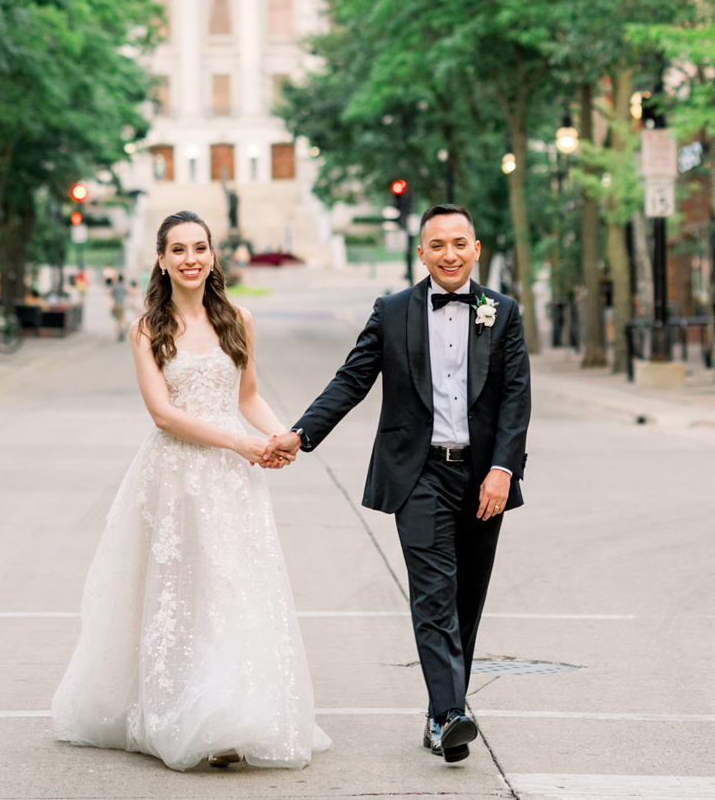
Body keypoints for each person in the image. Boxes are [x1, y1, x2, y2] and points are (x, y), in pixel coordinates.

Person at [51, 210, 329, 772]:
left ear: (212, 254)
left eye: (199, 248)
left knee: (233, 590)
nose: (190, 259)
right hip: (176, 476)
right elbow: (163, 415)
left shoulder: (239, 319)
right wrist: (240, 443)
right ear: (161, 259)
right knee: (180, 597)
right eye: (177, 250)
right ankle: (179, 709)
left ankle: (231, 716)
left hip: (232, 478)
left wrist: (280, 435)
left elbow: (247, 394)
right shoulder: (147, 329)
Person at [264, 204, 531, 765]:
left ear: (476, 249)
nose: (450, 254)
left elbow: (515, 398)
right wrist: (300, 433)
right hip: (419, 474)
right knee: (433, 597)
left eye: (460, 243)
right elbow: (352, 378)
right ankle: (454, 712)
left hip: (485, 476)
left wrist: (503, 470)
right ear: (421, 253)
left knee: (466, 602)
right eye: (438, 245)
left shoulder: (501, 312)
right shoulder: (392, 312)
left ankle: (439, 714)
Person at [110, 271, 128, 342]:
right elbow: (127, 293)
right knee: (122, 319)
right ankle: (122, 331)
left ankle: (117, 333)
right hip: (121, 304)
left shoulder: (115, 285)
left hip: (115, 304)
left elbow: (111, 293)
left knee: (117, 320)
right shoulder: (123, 286)